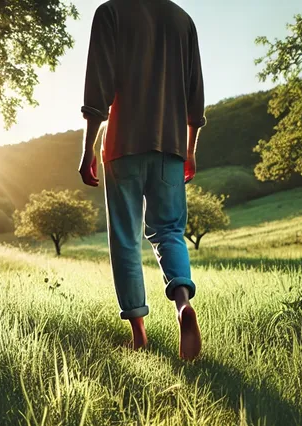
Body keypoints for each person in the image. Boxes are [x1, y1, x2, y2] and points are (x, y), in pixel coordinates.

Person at [78, 0, 206, 361]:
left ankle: (139, 335)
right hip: (170, 147)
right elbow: (195, 100)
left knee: (125, 239)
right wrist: (190, 150)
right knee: (168, 232)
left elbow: (97, 91)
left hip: (122, 146)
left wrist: (88, 149)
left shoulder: (111, 12)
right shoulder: (184, 21)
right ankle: (182, 305)